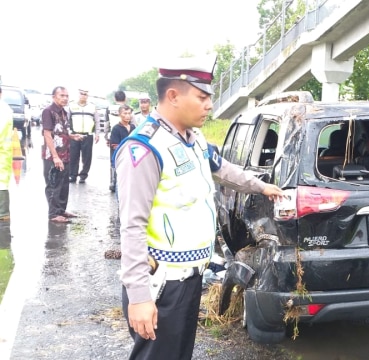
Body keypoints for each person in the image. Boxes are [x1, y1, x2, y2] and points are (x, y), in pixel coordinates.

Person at [115, 57, 285, 360]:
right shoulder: (144, 149)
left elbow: (225, 170)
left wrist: (261, 185)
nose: (209, 105)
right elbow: (132, 227)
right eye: (202, 97)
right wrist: (139, 297)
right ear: (173, 96)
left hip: (190, 279)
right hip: (161, 284)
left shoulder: (193, 140)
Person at [42, 86, 83, 223]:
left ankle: (61, 210)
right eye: (62, 95)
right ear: (54, 97)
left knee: (64, 183)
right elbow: (47, 134)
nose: (65, 98)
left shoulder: (64, 112)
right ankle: (53, 214)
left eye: (66, 96)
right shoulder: (48, 111)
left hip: (65, 153)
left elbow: (61, 131)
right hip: (52, 155)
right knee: (53, 184)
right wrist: (55, 156)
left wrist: (72, 136)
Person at [68, 88, 100, 183]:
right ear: (78, 94)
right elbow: (67, 120)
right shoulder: (72, 105)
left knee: (87, 157)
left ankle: (83, 175)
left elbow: (97, 121)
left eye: (85, 94)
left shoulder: (92, 107)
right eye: (81, 93)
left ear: (88, 96)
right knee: (73, 156)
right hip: (75, 135)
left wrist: (97, 134)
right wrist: (69, 133)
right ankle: (72, 175)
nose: (83, 96)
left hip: (87, 135)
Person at [109, 104, 135, 192]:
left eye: (129, 113)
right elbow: (114, 145)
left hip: (131, 157)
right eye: (125, 113)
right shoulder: (116, 128)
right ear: (120, 114)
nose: (127, 116)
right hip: (119, 156)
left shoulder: (133, 127)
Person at [0, 87, 14, 221]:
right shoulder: (5, 108)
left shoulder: (3, 110)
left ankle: (3, 213)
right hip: (3, 151)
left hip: (2, 152)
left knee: (1, 183)